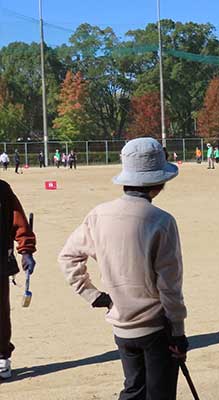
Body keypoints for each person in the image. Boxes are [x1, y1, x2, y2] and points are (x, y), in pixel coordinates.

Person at [58, 138, 187, 398]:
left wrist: (93, 296)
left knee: (133, 390)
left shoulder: (98, 214)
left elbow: (68, 257)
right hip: (156, 327)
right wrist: (179, 332)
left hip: (121, 326)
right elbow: (169, 285)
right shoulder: (161, 221)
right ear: (159, 182)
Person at [0, 179, 36, 379]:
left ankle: (2, 357)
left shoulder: (2, 189)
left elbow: (19, 221)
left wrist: (26, 250)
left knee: (0, 315)